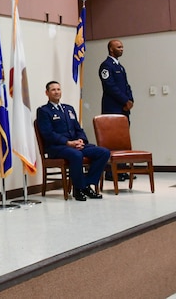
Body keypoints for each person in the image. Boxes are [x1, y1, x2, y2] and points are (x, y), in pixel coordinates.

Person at [36, 81, 110, 201]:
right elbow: (48, 134)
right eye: (53, 90)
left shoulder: (68, 109)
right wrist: (68, 143)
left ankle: (86, 184)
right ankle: (78, 189)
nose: (57, 92)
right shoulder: (44, 111)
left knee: (103, 152)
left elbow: (78, 128)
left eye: (58, 89)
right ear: (47, 93)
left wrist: (81, 140)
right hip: (57, 148)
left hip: (75, 145)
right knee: (77, 155)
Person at [99, 39, 134, 181]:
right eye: (119, 47)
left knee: (122, 140)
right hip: (112, 108)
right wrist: (124, 101)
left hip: (123, 109)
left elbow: (126, 86)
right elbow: (110, 87)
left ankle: (121, 169)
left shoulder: (120, 66)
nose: (122, 49)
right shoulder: (106, 66)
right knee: (111, 141)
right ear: (111, 49)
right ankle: (110, 172)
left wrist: (130, 100)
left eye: (122, 47)